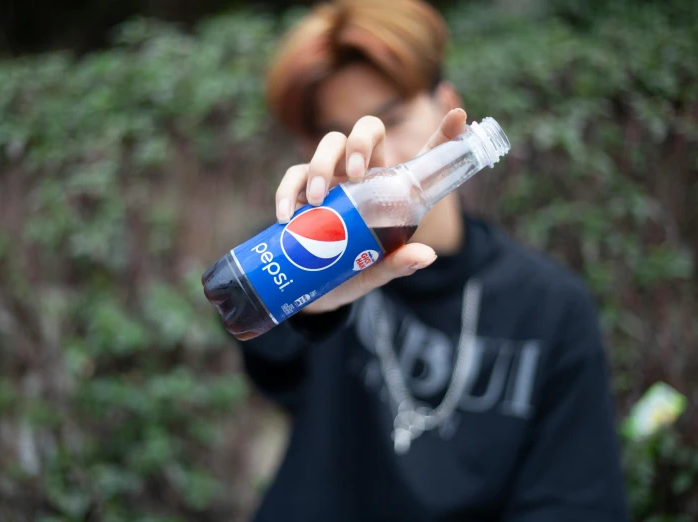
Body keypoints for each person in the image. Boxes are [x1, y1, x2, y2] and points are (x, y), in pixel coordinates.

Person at [239, 1, 629, 520]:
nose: (372, 150)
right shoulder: (317, 265)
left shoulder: (551, 307)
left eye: (391, 118)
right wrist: (311, 286)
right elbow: (271, 362)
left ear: (448, 107)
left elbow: (578, 504)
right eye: (340, 129)